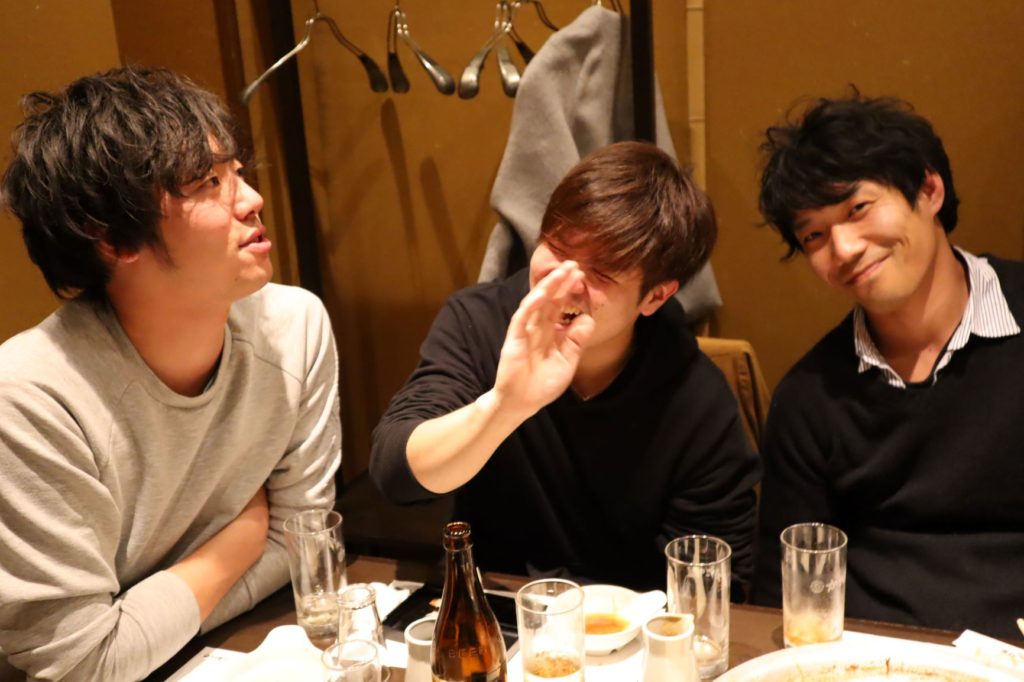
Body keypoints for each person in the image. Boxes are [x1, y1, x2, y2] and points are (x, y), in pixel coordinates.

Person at [0, 67, 341, 680]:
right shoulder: (29, 400)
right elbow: (85, 662)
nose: (251, 199)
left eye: (237, 172)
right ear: (112, 237)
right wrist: (246, 535)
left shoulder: (294, 329)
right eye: (209, 182)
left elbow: (307, 553)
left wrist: (143, 623)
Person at [371, 141, 760, 591]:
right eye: (556, 248)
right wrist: (504, 407)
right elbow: (396, 474)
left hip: (631, 621)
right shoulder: (478, 323)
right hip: (498, 607)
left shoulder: (694, 395)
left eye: (601, 272)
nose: (564, 282)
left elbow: (715, 579)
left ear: (656, 296)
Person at [753, 92, 1024, 638]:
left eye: (857, 209)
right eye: (814, 235)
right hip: (866, 660)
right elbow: (783, 596)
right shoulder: (809, 397)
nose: (844, 248)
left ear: (929, 189)